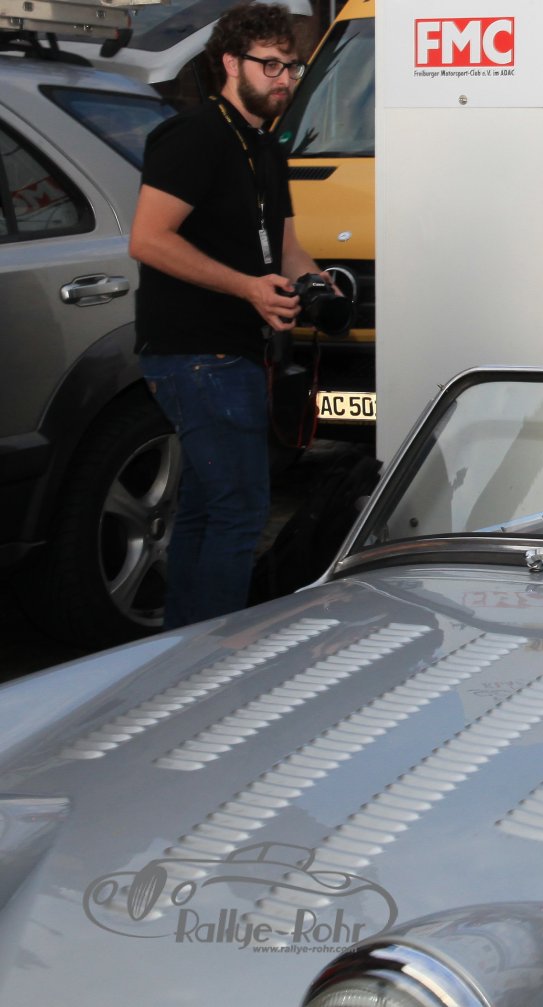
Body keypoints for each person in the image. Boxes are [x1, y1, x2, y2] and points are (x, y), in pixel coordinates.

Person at [129, 1, 325, 629]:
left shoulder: (265, 146)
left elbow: (286, 248)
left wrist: (319, 283)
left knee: (207, 509)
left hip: (234, 352)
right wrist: (248, 289)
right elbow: (148, 239)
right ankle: (217, 653)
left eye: (292, 67)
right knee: (239, 512)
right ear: (230, 63)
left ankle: (184, 645)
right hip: (196, 353)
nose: (284, 79)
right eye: (271, 65)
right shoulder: (195, 134)